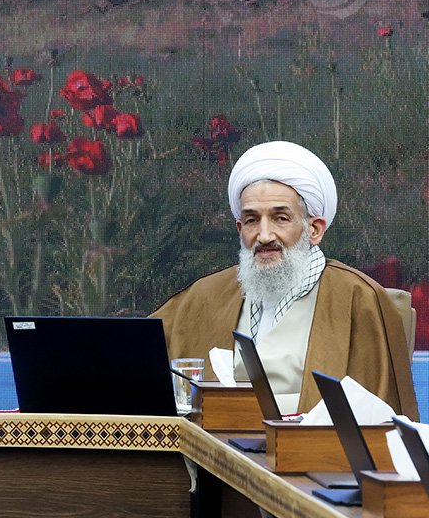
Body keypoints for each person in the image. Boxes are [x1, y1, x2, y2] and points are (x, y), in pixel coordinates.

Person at [153, 140, 416, 416]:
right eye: (252, 220)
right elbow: (137, 357)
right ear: (240, 229)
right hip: (211, 442)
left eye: (280, 218)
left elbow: (376, 418)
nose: (264, 236)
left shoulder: (357, 298)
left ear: (314, 229)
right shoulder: (205, 295)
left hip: (313, 442)